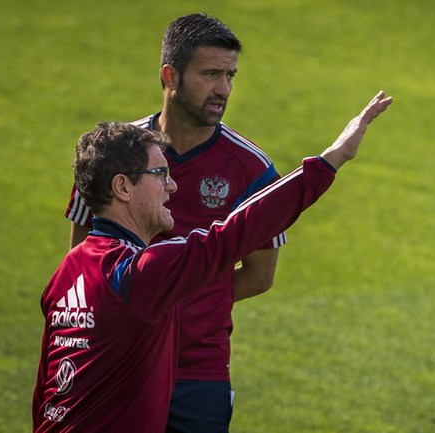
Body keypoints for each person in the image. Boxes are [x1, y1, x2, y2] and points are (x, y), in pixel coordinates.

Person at [33, 91, 393, 433]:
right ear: (123, 188)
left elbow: (45, 391)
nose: (172, 186)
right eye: (160, 175)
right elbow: (233, 234)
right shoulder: (138, 274)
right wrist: (332, 159)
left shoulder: (65, 275)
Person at [64, 14, 286, 432]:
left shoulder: (252, 168)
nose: (223, 89)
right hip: (116, 363)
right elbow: (81, 261)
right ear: (170, 76)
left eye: (230, 75)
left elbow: (260, 276)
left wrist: (183, 298)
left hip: (196, 373)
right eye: (210, 74)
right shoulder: (110, 154)